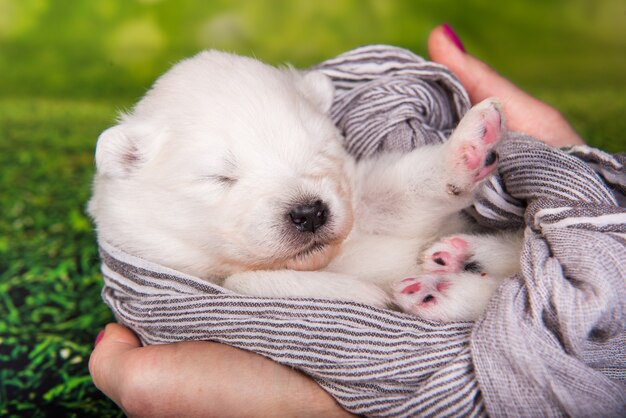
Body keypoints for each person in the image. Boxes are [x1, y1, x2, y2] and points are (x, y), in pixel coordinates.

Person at [88, 23, 586, 418]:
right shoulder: (180, 281)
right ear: (129, 163)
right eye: (223, 178)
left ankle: (498, 273)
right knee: (249, 284)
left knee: (381, 201)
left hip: (462, 277)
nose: (306, 205)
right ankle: (484, 287)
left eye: (315, 154)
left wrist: (447, 172)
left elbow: (384, 197)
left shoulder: (350, 197)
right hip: (435, 307)